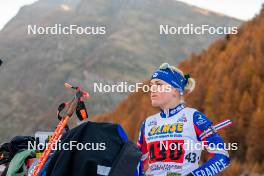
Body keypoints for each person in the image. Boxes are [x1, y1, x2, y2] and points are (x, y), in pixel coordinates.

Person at [137, 63, 230, 176]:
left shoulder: (193, 117)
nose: (152, 89)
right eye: (151, 85)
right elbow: (138, 162)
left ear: (175, 91)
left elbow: (222, 156)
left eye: (159, 84)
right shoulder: (147, 123)